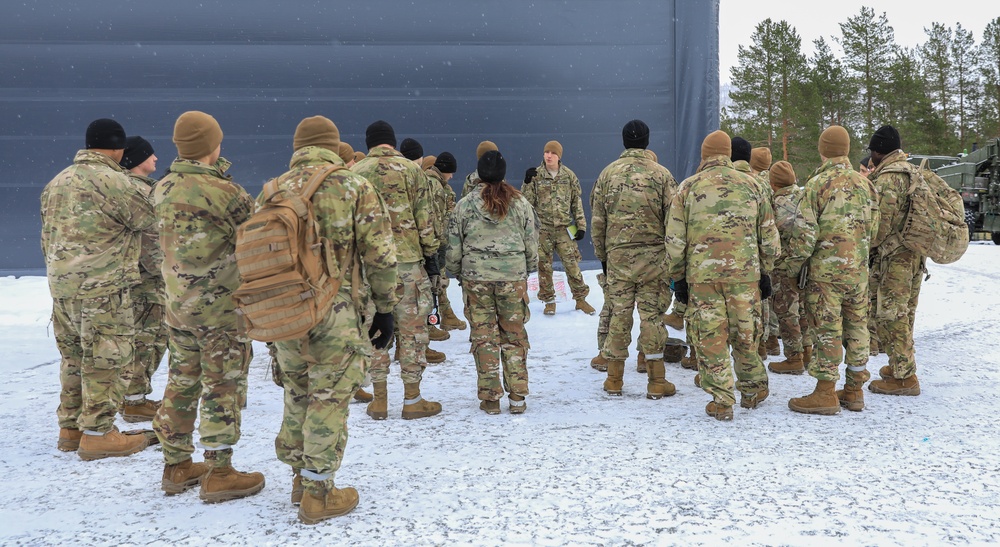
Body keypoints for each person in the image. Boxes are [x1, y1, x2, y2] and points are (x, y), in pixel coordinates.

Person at [267, 116, 398, 524]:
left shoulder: (272, 190)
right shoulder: (353, 185)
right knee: (329, 397)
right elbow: (379, 255)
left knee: (297, 391)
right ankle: (319, 493)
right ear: (332, 144)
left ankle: (297, 479)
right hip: (335, 310)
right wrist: (386, 308)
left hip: (284, 311)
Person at [152, 111, 264, 501]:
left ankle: (176, 464)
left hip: (178, 307)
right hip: (219, 311)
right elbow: (254, 237)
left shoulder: (161, 187)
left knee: (182, 381)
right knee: (222, 385)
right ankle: (219, 471)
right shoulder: (225, 193)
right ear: (212, 146)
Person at [41, 118, 154, 459]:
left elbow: (48, 237)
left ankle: (71, 428)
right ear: (119, 148)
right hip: (103, 288)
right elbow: (150, 220)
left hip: (62, 288)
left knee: (74, 358)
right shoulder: (116, 182)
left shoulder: (56, 182)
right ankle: (99, 433)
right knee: (107, 358)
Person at [665, 130, 779, 420]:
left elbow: (675, 241)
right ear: (728, 154)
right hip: (744, 276)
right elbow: (769, 237)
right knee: (745, 333)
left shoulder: (687, 188)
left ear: (704, 155)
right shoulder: (753, 186)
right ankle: (753, 388)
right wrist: (764, 270)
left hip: (703, 279)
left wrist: (679, 278)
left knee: (711, 337)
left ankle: (722, 400)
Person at [784, 125, 880, 414]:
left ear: (823, 149)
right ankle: (854, 390)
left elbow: (804, 235)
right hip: (857, 272)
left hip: (825, 275)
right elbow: (873, 231)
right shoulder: (867, 185)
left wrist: (791, 268)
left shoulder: (817, 185)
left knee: (827, 329)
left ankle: (825, 392)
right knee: (857, 328)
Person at [352, 121, 442, 420]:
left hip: (368, 268)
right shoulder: (413, 171)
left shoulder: (354, 174)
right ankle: (412, 400)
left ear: (369, 144)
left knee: (376, 331)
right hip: (407, 265)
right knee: (412, 332)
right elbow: (425, 220)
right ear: (392, 142)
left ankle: (379, 400)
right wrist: (431, 256)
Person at [447, 150, 538, 414]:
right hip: (512, 276)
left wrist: (456, 272)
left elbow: (454, 246)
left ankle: (490, 398)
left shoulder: (464, 205)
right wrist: (527, 268)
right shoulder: (520, 203)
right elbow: (532, 241)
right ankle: (518, 396)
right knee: (514, 335)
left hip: (477, 279)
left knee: (484, 336)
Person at [592, 120, 678, 399]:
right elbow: (674, 221)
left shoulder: (607, 175)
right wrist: (674, 259)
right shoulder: (662, 175)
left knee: (619, 315)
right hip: (654, 259)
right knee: (651, 316)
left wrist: (603, 257)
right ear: (647, 141)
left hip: (619, 258)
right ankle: (657, 381)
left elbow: (598, 221)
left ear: (624, 141)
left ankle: (614, 380)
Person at [866, 125, 924, 397]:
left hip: (895, 257)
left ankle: (905, 378)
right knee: (905, 312)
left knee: (891, 314)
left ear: (879, 150)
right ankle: (898, 364)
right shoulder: (912, 171)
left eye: (873, 151)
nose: (871, 157)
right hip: (914, 253)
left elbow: (880, 227)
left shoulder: (889, 179)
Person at [118, 135, 168, 422]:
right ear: (138, 160)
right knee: (147, 341)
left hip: (132, 281)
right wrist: (171, 276)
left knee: (137, 340)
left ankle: (132, 398)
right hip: (147, 284)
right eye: (151, 155)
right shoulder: (142, 193)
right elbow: (151, 242)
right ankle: (134, 402)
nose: (156, 159)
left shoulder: (124, 188)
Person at [522, 140, 594, 316]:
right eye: (546, 152)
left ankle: (581, 299)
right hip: (543, 229)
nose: (548, 155)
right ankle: (549, 301)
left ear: (559, 156)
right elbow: (525, 203)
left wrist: (581, 226)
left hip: (564, 228)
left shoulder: (569, 176)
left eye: (552, 153)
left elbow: (576, 202)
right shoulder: (536, 175)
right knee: (544, 267)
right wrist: (527, 182)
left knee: (572, 265)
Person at [731, 137, 776, 362]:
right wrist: (767, 265)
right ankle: (761, 346)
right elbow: (768, 227)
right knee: (758, 304)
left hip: (726, 259)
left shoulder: (727, 181)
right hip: (756, 256)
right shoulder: (761, 183)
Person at [765, 161, 812, 375]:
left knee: (785, 311)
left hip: (784, 265)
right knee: (803, 308)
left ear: (773, 183)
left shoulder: (776, 203)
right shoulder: (805, 196)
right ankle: (808, 352)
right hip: (807, 263)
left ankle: (794, 358)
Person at [426, 151, 468, 333]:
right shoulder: (435, 187)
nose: (452, 177)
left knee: (437, 279)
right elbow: (436, 217)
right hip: (434, 241)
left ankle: (444, 315)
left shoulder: (436, 185)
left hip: (434, 240)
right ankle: (431, 322)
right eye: (450, 173)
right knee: (432, 281)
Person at [751, 146, 781, 357]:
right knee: (766, 297)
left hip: (748, 248)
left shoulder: (751, 181)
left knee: (756, 299)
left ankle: (760, 344)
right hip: (768, 243)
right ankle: (769, 342)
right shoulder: (770, 183)